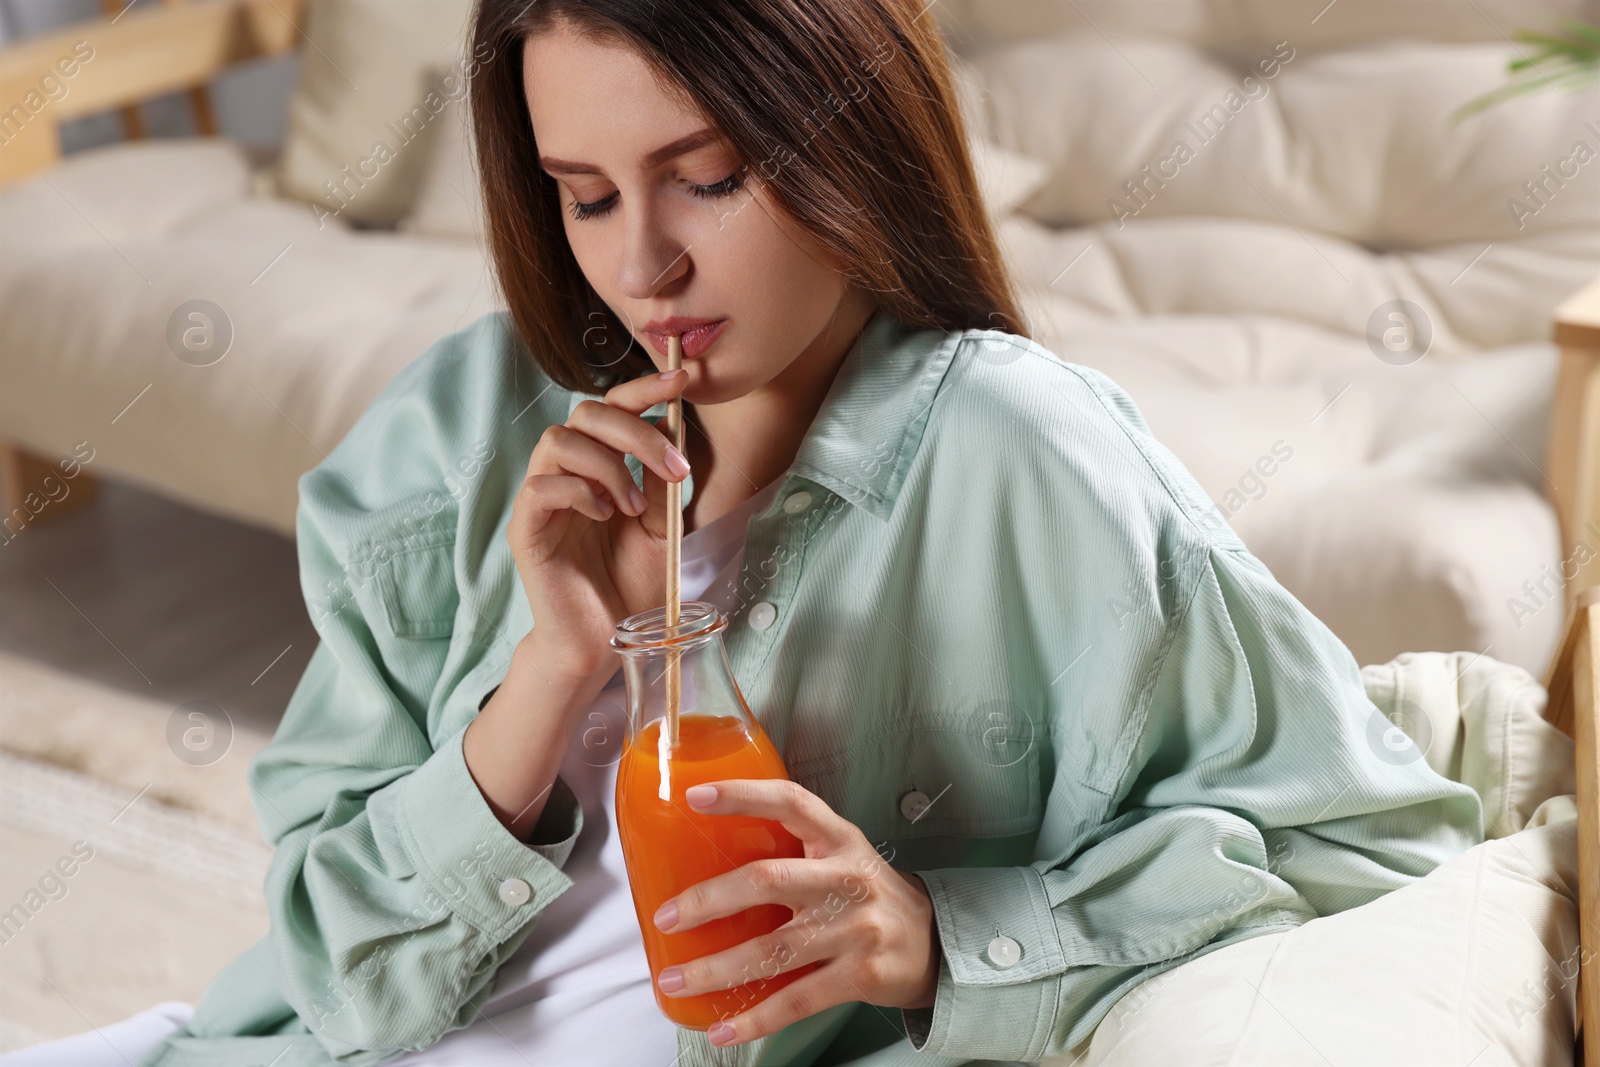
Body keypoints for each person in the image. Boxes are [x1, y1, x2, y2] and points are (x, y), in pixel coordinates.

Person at [8, 1, 1484, 1065]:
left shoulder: (1019, 457)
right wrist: (550, 670)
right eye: (584, 196)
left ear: (852, 138)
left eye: (709, 177)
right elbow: (333, 976)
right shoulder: (453, 434)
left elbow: (1372, 831)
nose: (642, 265)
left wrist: (938, 939)